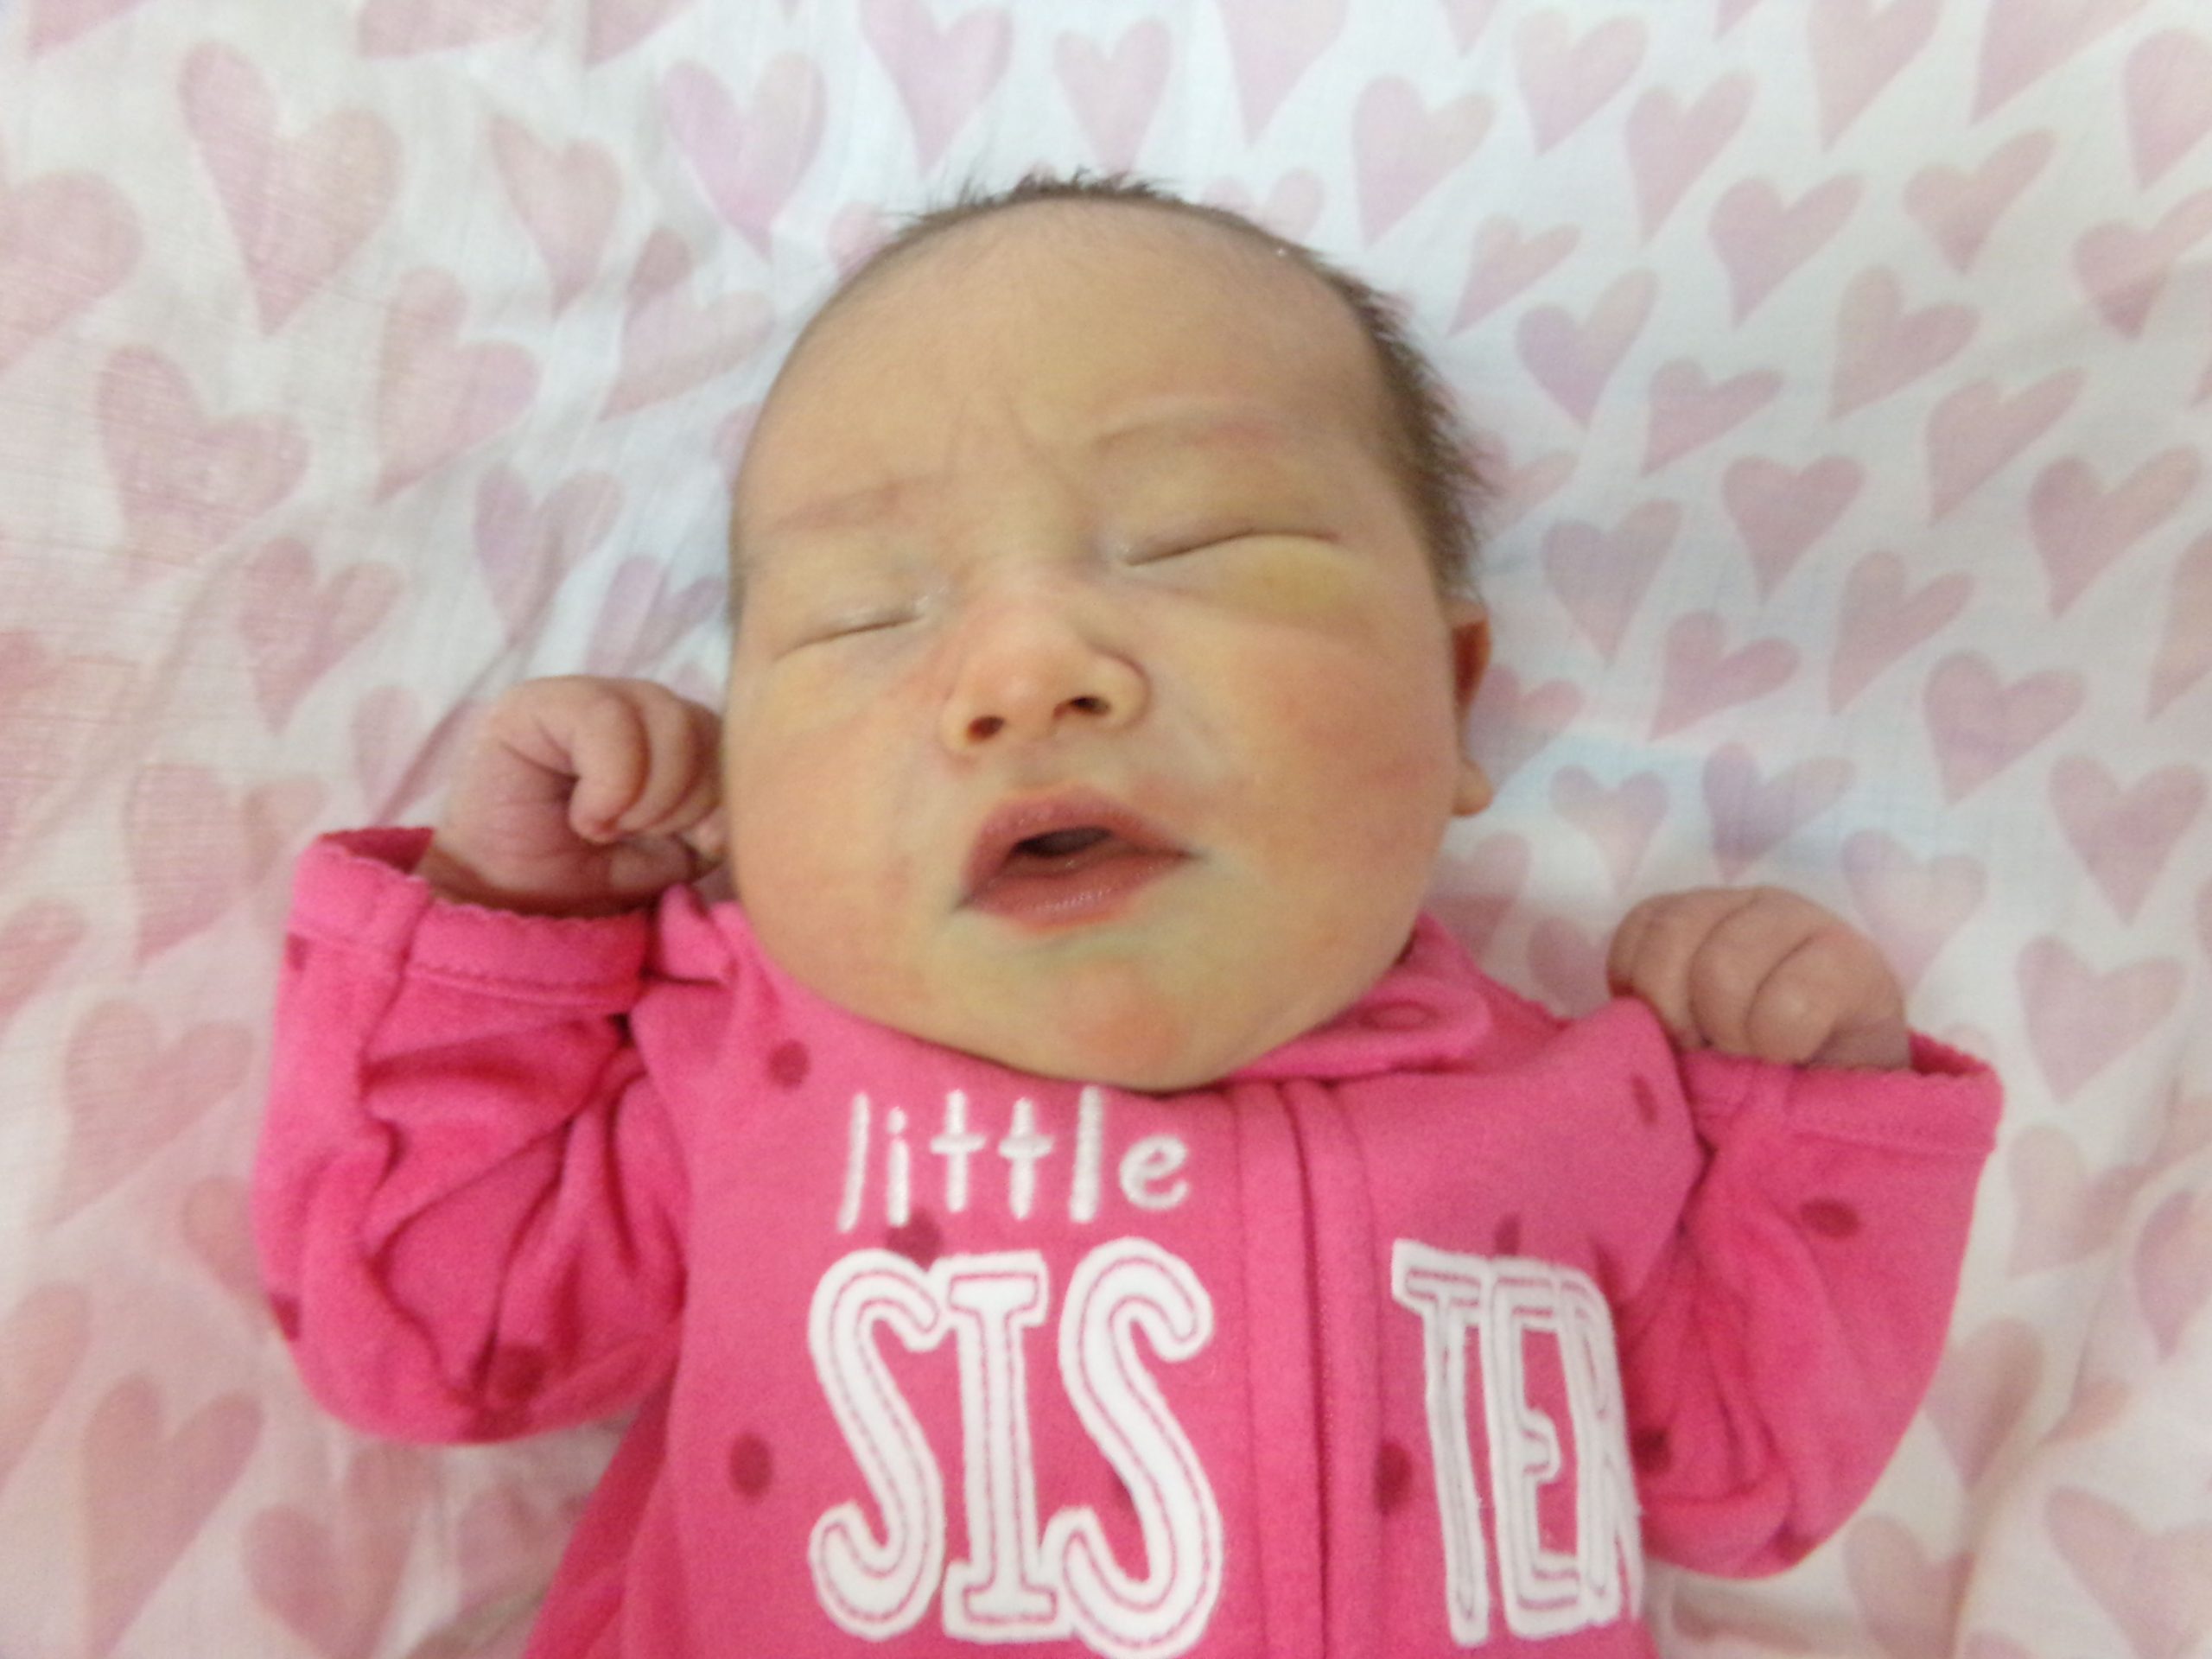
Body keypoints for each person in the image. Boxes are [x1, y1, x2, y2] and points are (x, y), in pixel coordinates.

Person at [255, 175, 2001, 1657]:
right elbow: (425, 1339)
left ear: (1452, 699)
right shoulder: (739, 1074)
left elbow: (1746, 1480)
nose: (1025, 673)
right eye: (864, 615)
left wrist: (1811, 1122)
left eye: (1192, 543)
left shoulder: (1579, 1109)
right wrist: (513, 936)